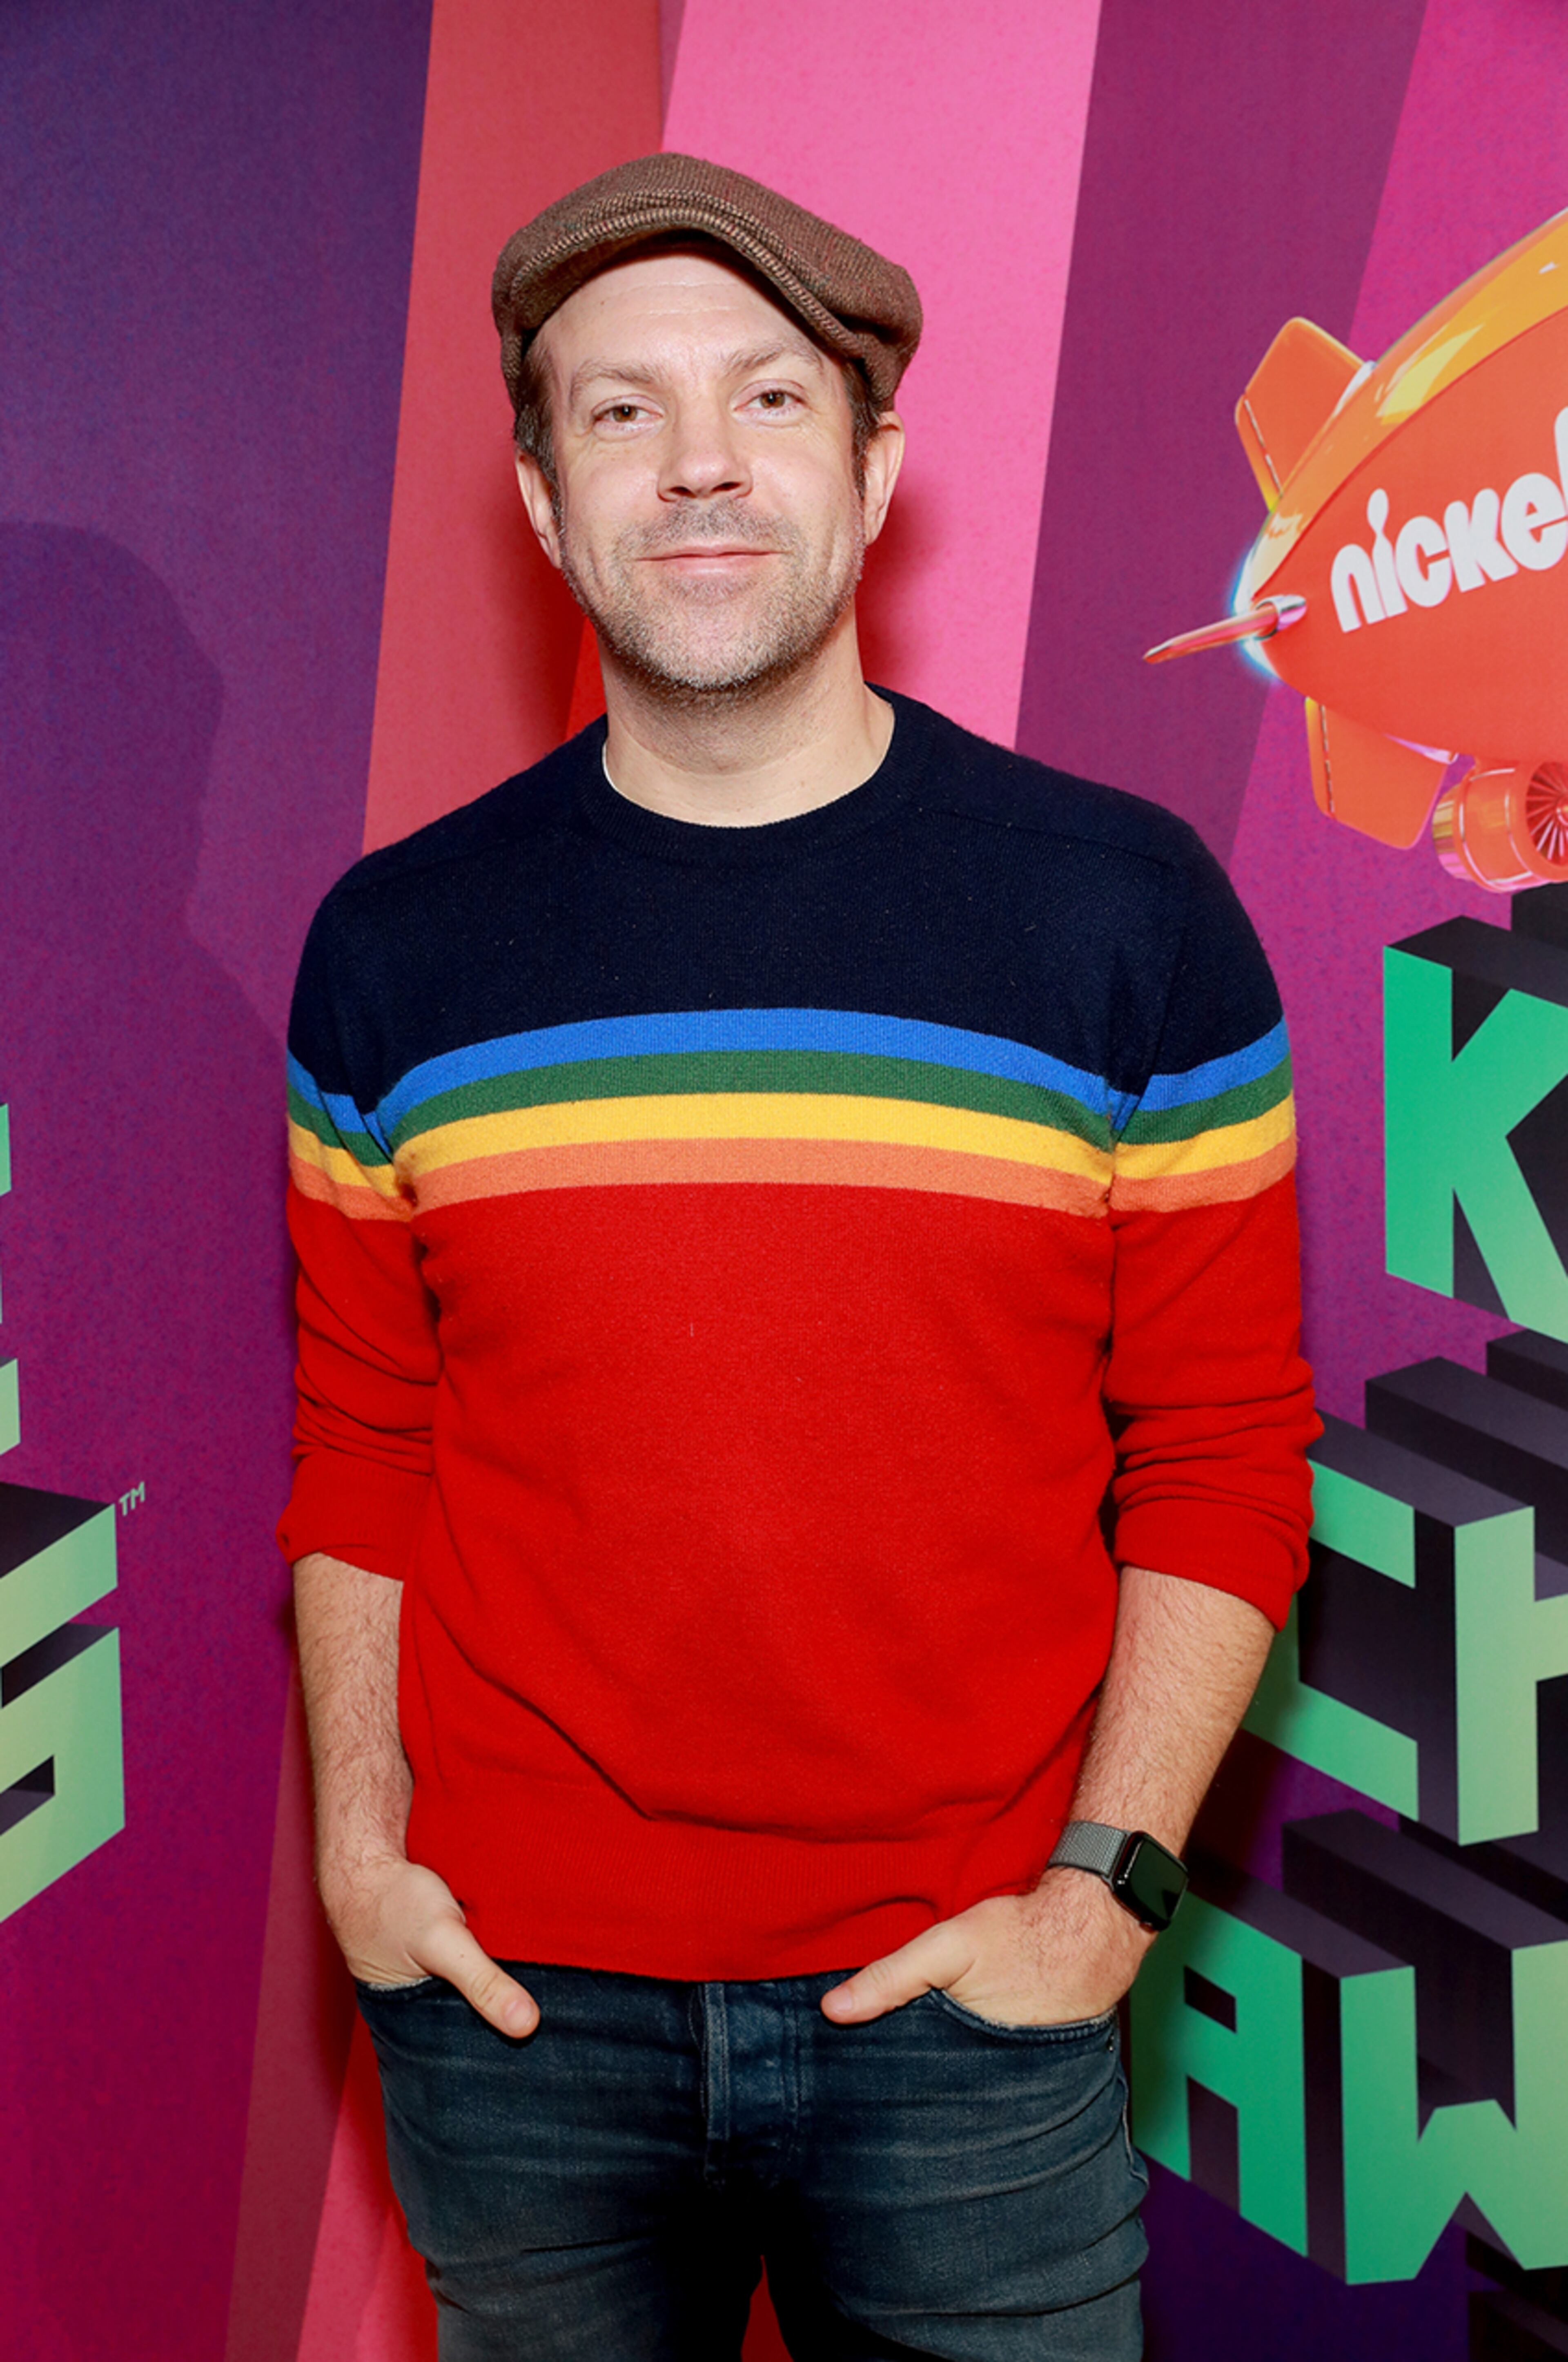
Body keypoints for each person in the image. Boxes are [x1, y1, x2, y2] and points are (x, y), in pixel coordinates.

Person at [280, 152, 1316, 2360]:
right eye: (621, 412)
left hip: (972, 2010)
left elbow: (1224, 1452)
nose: (701, 466)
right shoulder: (395, 950)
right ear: (549, 504)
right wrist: (365, 1857)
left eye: (766, 395)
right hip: (516, 2010)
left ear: (875, 469)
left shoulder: (1123, 916)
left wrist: (1104, 1893)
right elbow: (367, 1440)